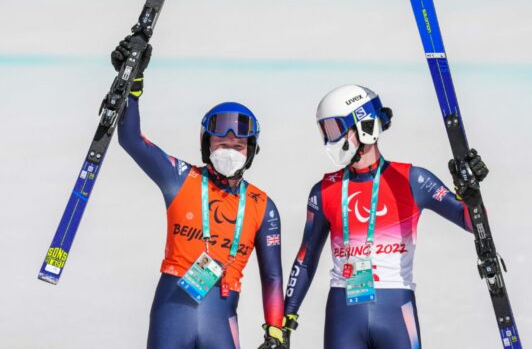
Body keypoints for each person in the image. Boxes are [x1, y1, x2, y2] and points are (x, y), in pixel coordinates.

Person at [281, 85, 489, 349]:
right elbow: (306, 259)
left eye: (335, 130)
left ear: (365, 126)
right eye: (326, 132)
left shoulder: (413, 180)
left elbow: (472, 222)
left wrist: (472, 195)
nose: (330, 142)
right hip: (343, 312)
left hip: (396, 309)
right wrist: (284, 320)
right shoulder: (324, 190)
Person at [112, 36, 287, 349]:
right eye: (221, 144)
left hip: (220, 319)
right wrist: (131, 82)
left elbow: (272, 276)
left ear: (251, 151)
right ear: (207, 145)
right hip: (171, 311)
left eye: (238, 146)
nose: (229, 152)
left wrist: (275, 332)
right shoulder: (181, 178)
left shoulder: (262, 206)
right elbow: (131, 140)